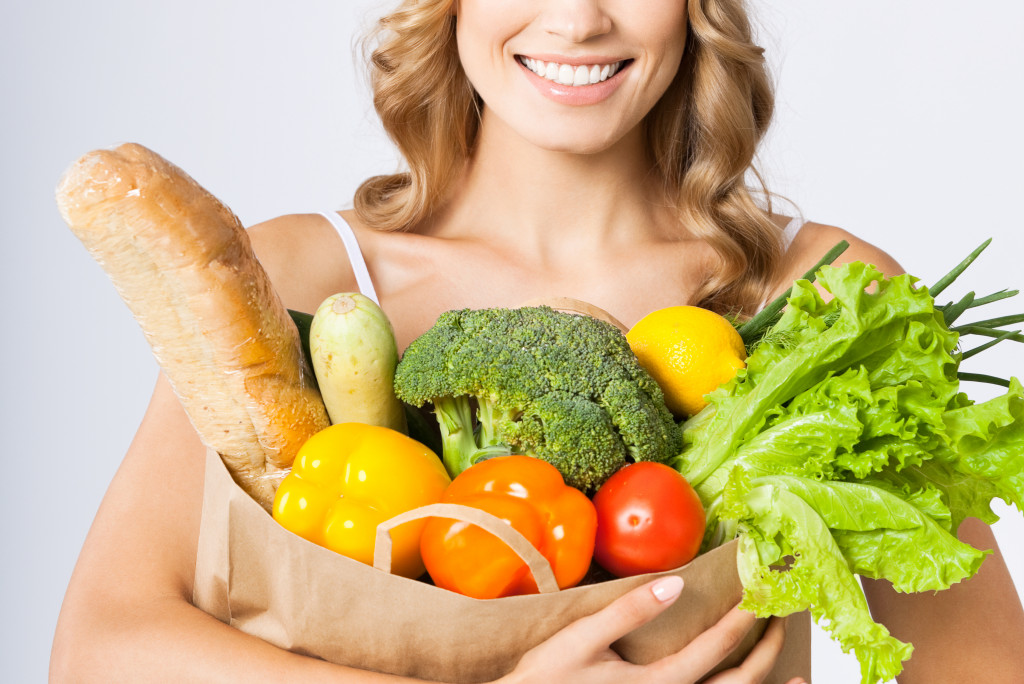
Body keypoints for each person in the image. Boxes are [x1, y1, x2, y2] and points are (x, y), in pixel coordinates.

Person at [49, 0, 1024, 682]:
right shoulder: (308, 278)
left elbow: (981, 667)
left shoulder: (827, 297)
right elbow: (100, 651)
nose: (576, 18)